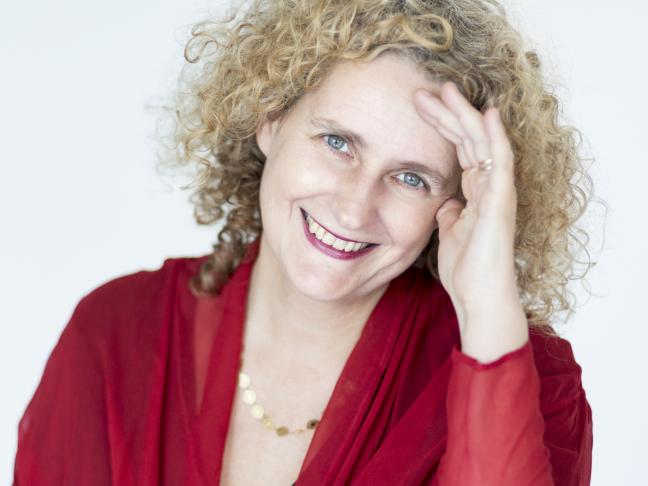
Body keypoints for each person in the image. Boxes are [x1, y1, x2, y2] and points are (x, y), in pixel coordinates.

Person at [13, 0, 594, 484]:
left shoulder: (527, 381)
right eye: (338, 143)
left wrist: (488, 307)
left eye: (411, 178)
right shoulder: (115, 335)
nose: (354, 207)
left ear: (459, 204)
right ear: (270, 119)